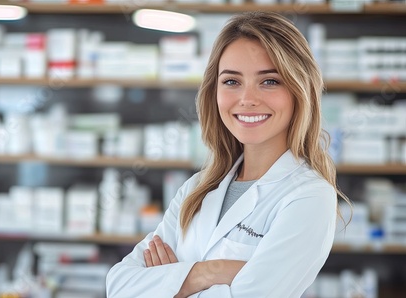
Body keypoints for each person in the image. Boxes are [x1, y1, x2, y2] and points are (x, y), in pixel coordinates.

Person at [106, 11, 350, 298]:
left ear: (300, 90)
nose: (247, 99)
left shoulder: (308, 197)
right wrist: (209, 272)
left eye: (270, 81)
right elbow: (119, 286)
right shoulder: (196, 189)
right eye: (232, 81)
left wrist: (168, 284)